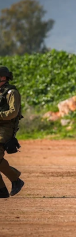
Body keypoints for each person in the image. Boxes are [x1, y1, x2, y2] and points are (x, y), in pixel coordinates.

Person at [0, 66, 24, 198]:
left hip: (5, 129)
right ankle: (2, 190)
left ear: (3, 78)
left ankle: (16, 179)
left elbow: (13, 112)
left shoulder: (11, 93)